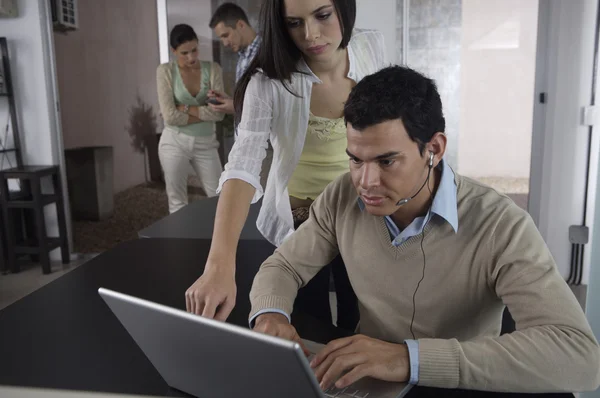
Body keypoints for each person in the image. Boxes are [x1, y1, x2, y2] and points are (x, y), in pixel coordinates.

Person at [248, 65, 600, 393]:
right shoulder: (341, 196)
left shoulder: (500, 224)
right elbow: (284, 266)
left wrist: (408, 358)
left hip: (463, 387)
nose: (365, 182)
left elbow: (579, 355)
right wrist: (270, 314)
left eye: (386, 161)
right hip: (370, 383)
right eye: (355, 159)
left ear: (434, 149)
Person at [185, 0, 388, 331]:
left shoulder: (370, 47)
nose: (310, 35)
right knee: (310, 322)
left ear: (344, 8)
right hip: (302, 220)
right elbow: (243, 164)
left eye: (323, 15)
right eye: (294, 23)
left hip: (361, 212)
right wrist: (219, 264)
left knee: (364, 319)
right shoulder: (267, 83)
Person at [157, 24, 225, 214]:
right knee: (177, 201)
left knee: (219, 197)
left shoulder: (213, 70)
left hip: (206, 143)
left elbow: (218, 113)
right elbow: (170, 117)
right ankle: (180, 243)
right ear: (173, 51)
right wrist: (203, 112)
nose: (191, 57)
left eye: (194, 50)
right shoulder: (165, 72)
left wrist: (185, 108)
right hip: (174, 142)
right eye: (184, 53)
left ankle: (221, 242)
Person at [207, 2, 261, 115]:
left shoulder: (267, 53)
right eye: (221, 38)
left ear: (241, 25)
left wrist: (235, 107)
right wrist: (229, 101)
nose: (225, 43)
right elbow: (249, 100)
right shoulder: (242, 56)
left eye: (226, 35)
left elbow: (271, 104)